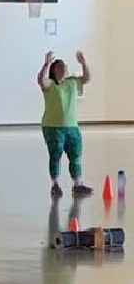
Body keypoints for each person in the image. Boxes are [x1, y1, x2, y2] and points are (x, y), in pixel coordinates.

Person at [38, 50, 93, 198]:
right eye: (58, 67)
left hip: (72, 127)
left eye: (64, 67)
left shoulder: (73, 82)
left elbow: (87, 78)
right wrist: (46, 64)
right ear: (53, 71)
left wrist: (83, 63)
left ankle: (77, 184)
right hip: (52, 128)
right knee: (55, 155)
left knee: (75, 155)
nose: (62, 69)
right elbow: (41, 81)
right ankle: (55, 184)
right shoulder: (50, 84)